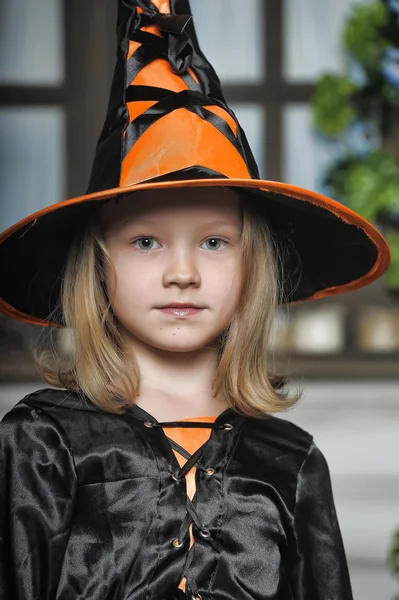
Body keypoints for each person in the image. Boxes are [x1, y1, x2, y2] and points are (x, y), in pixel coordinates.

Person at [0, 1, 391, 599]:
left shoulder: (292, 463)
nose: (182, 273)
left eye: (214, 241)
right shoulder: (40, 446)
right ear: (99, 262)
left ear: (252, 264)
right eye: (146, 241)